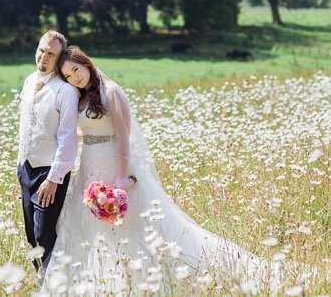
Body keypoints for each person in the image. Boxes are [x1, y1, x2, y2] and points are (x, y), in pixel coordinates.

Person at [45, 46, 279, 292]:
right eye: (68, 76)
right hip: (89, 168)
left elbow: (123, 136)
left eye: (76, 70)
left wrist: (121, 178)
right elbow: (87, 133)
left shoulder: (111, 92)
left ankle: (147, 278)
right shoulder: (81, 98)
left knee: (130, 226)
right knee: (91, 225)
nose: (75, 78)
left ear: (86, 64)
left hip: (114, 167)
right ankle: (99, 282)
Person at [16, 31, 80, 271]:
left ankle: (55, 284)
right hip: (26, 169)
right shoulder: (29, 80)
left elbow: (67, 140)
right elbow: (25, 127)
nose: (43, 56)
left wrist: (54, 179)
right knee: (31, 235)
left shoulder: (66, 92)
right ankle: (42, 284)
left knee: (44, 235)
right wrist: (19, 165)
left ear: (59, 57)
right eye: (41, 50)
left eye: (51, 54)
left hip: (49, 173)